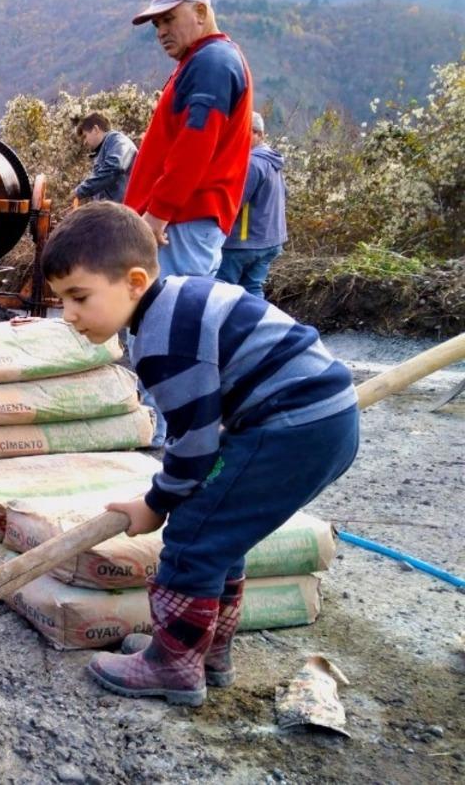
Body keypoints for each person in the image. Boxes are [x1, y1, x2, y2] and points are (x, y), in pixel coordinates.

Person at [41, 202, 359, 707]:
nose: (70, 315)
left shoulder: (165, 340)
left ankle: (173, 666)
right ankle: (200, 650)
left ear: (135, 281)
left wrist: (156, 503)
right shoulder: (179, 301)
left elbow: (194, 443)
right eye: (61, 301)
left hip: (292, 428)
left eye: (79, 297)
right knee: (219, 534)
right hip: (318, 420)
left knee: (192, 539)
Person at [123, 0, 255, 279]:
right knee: (160, 316)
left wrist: (157, 215)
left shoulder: (212, 62)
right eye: (157, 25)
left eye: (169, 19)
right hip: (180, 222)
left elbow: (195, 146)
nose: (161, 32)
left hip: (179, 224)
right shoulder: (201, 60)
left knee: (165, 317)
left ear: (200, 11)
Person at [216, 112, 287, 298]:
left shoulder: (251, 163)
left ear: (259, 134)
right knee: (253, 289)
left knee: (221, 290)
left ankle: (220, 326)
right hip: (271, 240)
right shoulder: (273, 162)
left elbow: (234, 202)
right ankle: (256, 325)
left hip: (243, 243)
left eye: (246, 132)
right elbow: (285, 194)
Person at [73, 113, 137, 203]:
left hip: (128, 210)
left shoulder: (117, 140)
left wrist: (80, 191)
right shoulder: (103, 149)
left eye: (85, 136)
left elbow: (114, 167)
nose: (85, 142)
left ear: (95, 129)